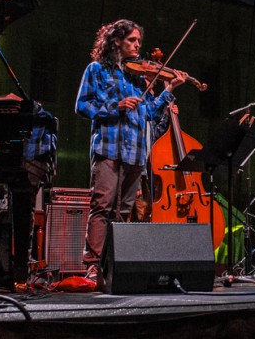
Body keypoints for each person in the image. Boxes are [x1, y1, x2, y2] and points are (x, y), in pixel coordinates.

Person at [75, 20, 186, 284]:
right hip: (109, 148)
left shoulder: (139, 78)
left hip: (136, 152)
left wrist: (168, 90)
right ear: (116, 41)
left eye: (138, 41)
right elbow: (82, 105)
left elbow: (147, 113)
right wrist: (116, 106)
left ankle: (114, 265)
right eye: (132, 40)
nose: (138, 46)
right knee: (102, 206)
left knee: (123, 211)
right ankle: (92, 266)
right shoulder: (97, 69)